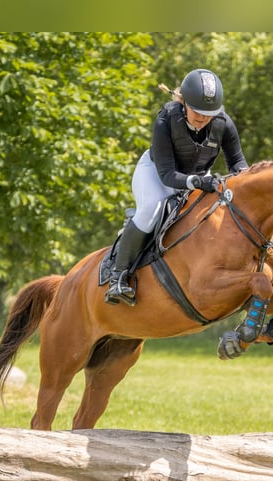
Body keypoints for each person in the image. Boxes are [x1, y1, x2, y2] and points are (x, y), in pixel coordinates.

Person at [105, 68, 249, 306]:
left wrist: (248, 184)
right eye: (197, 111)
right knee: (151, 209)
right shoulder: (166, 119)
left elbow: (238, 164)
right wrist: (196, 182)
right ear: (184, 103)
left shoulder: (223, 123)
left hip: (199, 177)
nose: (203, 118)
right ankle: (118, 276)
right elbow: (167, 175)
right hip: (156, 174)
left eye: (209, 113)